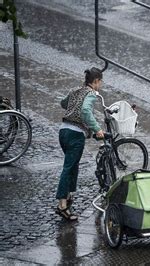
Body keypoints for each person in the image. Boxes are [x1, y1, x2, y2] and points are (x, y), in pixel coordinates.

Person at [55, 67, 104, 221]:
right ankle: (62, 204)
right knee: (69, 168)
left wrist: (73, 106)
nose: (100, 85)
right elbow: (85, 111)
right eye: (100, 82)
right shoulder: (91, 94)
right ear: (95, 82)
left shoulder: (76, 90)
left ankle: (69, 196)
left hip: (63, 132)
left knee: (73, 165)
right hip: (75, 134)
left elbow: (63, 103)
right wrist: (97, 129)